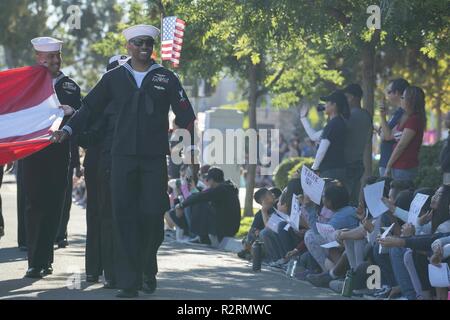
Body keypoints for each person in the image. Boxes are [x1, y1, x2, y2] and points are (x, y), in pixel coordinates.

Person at [51, 25, 197, 298]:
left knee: (153, 216)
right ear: (128, 46)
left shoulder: (166, 77)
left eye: (148, 43)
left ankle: (147, 269)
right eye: (138, 42)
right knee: (124, 217)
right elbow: (89, 108)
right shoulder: (113, 78)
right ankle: (129, 281)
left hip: (154, 159)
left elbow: (186, 115)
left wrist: (188, 152)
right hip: (122, 159)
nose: (144, 47)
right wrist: (67, 130)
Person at [23, 37, 81, 278]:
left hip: (58, 154)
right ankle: (34, 261)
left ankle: (46, 258)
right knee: (34, 205)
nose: (55, 61)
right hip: (33, 153)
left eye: (58, 56)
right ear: (39, 59)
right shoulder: (27, 84)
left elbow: (81, 118)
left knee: (53, 206)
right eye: (50, 58)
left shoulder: (70, 87)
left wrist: (72, 112)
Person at [176, 167, 241, 246]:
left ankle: (201, 237)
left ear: (212, 180)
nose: (207, 182)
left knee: (200, 204)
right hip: (232, 227)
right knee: (201, 202)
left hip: (224, 229)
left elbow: (199, 196)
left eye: (208, 180)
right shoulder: (227, 187)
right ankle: (201, 236)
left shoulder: (219, 189)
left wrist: (181, 205)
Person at [300, 90, 350, 182]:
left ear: (334, 105)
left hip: (330, 172)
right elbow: (313, 136)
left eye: (327, 103)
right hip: (338, 170)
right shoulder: (338, 123)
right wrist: (303, 118)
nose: (324, 105)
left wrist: (314, 168)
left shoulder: (333, 124)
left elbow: (322, 150)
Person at [384, 86, 426, 180]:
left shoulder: (414, 120)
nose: (401, 99)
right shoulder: (406, 118)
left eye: (403, 97)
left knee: (398, 194)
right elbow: (389, 136)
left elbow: (401, 145)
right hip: (399, 166)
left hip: (404, 166)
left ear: (410, 100)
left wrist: (388, 165)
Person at [342, 84, 373, 206]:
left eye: (346, 97)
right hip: (359, 162)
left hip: (347, 164)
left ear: (354, 98)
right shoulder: (366, 116)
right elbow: (368, 138)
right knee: (353, 199)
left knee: (344, 200)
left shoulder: (349, 116)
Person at [378, 78, 409, 176]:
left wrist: (383, 117)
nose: (387, 95)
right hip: (386, 162)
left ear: (397, 93)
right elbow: (384, 134)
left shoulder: (403, 114)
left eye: (389, 92)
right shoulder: (397, 113)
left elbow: (387, 136)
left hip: (393, 165)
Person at [238, 188, 275, 260]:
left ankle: (249, 252)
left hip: (270, 238)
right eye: (270, 194)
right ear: (264, 200)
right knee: (249, 238)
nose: (273, 195)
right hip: (261, 238)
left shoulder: (276, 208)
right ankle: (249, 252)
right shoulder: (259, 214)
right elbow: (253, 230)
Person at [440, 111, 450, 185]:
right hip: (446, 170)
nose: (445, 121)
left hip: (448, 170)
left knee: (447, 188)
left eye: (447, 119)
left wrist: (443, 165)